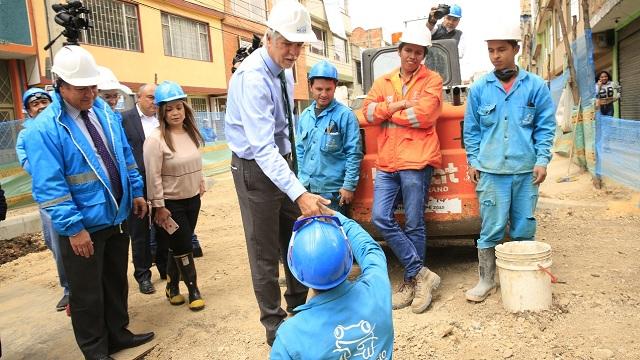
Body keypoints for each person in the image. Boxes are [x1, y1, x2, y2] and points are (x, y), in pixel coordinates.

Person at [20, 45, 154, 360]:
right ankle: (95, 350)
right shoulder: (46, 129)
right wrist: (73, 228)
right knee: (86, 294)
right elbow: (50, 186)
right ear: (60, 85)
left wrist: (135, 191)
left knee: (114, 282)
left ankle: (118, 334)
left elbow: (124, 157)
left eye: (93, 86)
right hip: (82, 226)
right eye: (81, 88)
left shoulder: (104, 112)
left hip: (116, 215)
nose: (90, 93)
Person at [224, 0, 329, 346]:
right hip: (255, 169)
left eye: (299, 45)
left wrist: (294, 176)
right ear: (269, 38)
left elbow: (284, 130)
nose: (294, 52)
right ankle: (274, 325)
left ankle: (299, 307)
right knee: (264, 250)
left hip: (281, 162)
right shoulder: (252, 78)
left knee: (294, 237)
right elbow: (261, 147)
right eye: (287, 43)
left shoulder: (283, 69)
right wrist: (298, 192)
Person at [463, 24, 555, 303]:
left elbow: (545, 126)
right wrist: (473, 160)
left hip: (526, 171)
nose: (495, 56)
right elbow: (472, 130)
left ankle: (522, 276)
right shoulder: (480, 88)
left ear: (516, 49)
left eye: (501, 49)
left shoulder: (535, 86)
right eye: (491, 50)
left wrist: (542, 160)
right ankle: (487, 280)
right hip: (491, 172)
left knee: (524, 227)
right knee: (491, 227)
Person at [361, 26, 443, 314]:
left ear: (423, 55)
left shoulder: (433, 80)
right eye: (408, 50)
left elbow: (424, 115)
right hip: (388, 161)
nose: (412, 55)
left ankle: (412, 282)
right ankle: (423, 275)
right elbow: (367, 113)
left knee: (414, 223)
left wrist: (387, 112)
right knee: (380, 218)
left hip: (417, 161)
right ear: (400, 51)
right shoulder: (383, 81)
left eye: (418, 52)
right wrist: (397, 105)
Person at [271, 209, 393, 359]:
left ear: (296, 270)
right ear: (348, 256)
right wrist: (335, 216)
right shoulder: (376, 288)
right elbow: (371, 250)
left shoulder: (289, 337)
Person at [143, 80, 206, 311]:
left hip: (192, 199)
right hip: (170, 205)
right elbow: (153, 175)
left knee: (177, 246)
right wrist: (159, 206)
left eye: (178, 107)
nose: (175, 113)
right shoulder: (155, 140)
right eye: (169, 109)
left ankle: (172, 286)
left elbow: (196, 161)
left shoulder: (190, 133)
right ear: (161, 112)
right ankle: (193, 290)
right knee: (183, 244)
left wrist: (200, 182)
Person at [16, 88, 70, 312]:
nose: (40, 106)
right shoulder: (26, 135)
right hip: (48, 199)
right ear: (28, 111)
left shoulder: (63, 125)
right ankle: (69, 288)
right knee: (56, 243)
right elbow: (29, 164)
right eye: (34, 104)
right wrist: (48, 168)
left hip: (72, 194)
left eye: (44, 101)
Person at [296, 60, 363, 215]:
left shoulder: (345, 116)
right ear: (310, 86)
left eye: (329, 89)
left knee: (334, 235)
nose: (324, 94)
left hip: (333, 194)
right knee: (313, 234)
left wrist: (348, 186)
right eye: (319, 89)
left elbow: (354, 153)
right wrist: (301, 181)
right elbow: (300, 151)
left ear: (335, 87)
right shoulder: (305, 116)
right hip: (308, 190)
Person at [121, 83, 163, 294]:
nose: (154, 102)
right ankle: (143, 275)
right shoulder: (125, 119)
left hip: (161, 180)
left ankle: (165, 268)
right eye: (149, 97)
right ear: (138, 98)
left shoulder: (162, 118)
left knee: (164, 224)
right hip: (137, 183)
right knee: (139, 232)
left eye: (156, 98)